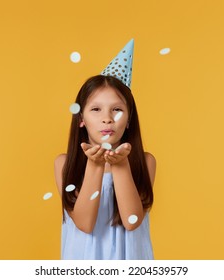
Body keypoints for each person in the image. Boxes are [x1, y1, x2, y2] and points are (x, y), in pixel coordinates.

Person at [54, 39, 156, 259]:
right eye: (96, 109)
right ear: (81, 118)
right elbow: (84, 223)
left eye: (117, 110)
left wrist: (120, 165)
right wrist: (95, 165)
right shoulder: (65, 163)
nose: (107, 119)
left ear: (128, 119)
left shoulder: (145, 162)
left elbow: (132, 221)